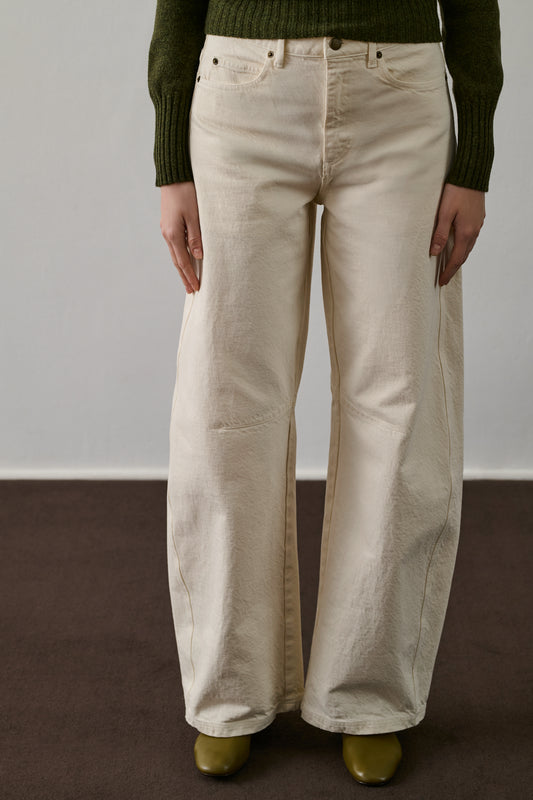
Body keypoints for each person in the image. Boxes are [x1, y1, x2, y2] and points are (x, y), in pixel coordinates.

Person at [147, 0, 504, 787]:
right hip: (241, 95)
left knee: (397, 402)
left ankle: (366, 696)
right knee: (225, 404)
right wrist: (171, 157)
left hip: (399, 101)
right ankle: (229, 693)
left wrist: (472, 155)